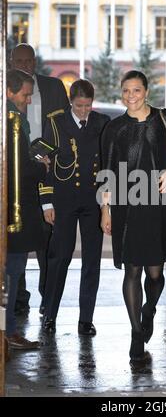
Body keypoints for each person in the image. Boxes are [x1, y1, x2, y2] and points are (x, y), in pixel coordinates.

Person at [100, 70, 166, 362]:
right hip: (127, 206)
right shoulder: (114, 129)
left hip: (158, 204)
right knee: (132, 270)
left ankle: (149, 309)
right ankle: (136, 334)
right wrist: (105, 209)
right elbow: (107, 173)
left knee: (155, 273)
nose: (130, 96)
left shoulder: (165, 119)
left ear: (146, 91)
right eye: (126, 91)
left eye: (136, 90)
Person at [40, 79, 110, 335]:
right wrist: (46, 202)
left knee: (92, 261)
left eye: (88, 106)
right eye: (79, 106)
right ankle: (49, 314)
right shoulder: (56, 123)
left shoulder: (102, 123)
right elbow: (44, 166)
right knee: (59, 258)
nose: (84, 111)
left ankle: (86, 319)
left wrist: (107, 205)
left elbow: (107, 165)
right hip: (64, 200)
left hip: (92, 201)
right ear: (71, 102)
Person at [11, 43, 70, 316]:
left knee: (49, 236)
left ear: (35, 62)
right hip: (17, 176)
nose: (24, 64)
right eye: (18, 60)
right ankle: (17, 301)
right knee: (16, 238)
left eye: (28, 60)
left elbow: (66, 126)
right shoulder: (8, 93)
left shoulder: (54, 87)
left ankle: (48, 298)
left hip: (48, 171)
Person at [6, 69, 50, 349]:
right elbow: (18, 167)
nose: (29, 101)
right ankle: (8, 332)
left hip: (12, 209)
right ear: (9, 92)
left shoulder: (12, 117)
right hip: (15, 211)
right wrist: (41, 166)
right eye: (25, 94)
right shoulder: (12, 120)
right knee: (12, 272)